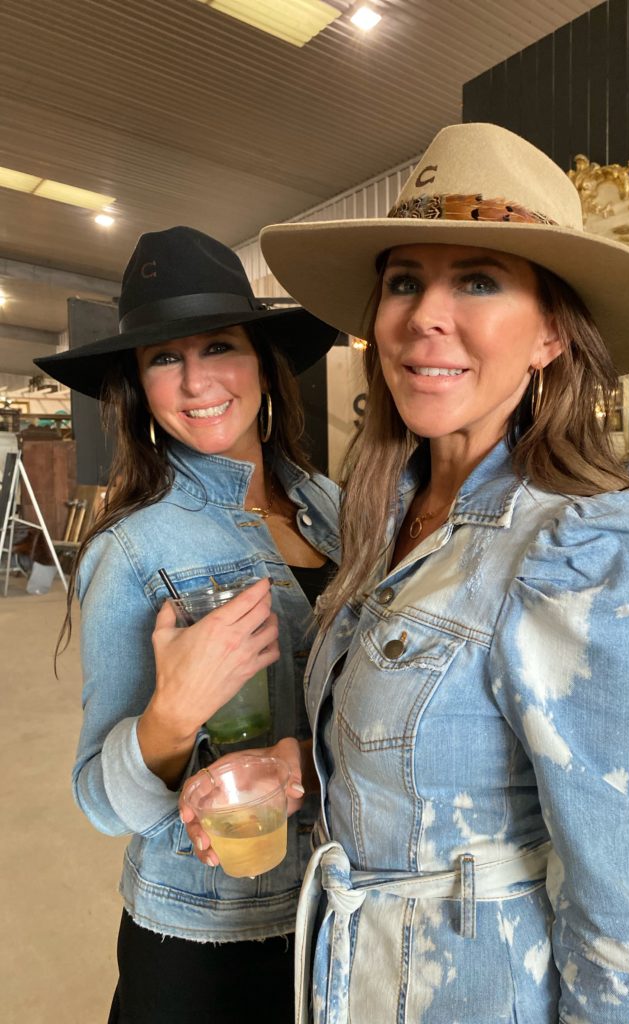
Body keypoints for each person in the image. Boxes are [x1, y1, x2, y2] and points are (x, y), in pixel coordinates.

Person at [253, 123, 629, 1023]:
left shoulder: (589, 547)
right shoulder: (382, 514)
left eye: (481, 280)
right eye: (405, 279)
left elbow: (612, 898)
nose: (425, 315)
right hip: (349, 979)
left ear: (550, 338)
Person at [35, 226, 341, 1024]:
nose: (196, 381)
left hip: (340, 903)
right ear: (139, 383)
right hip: (206, 936)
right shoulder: (134, 548)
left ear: (264, 363)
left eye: (219, 346)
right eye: (165, 358)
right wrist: (172, 713)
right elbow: (103, 805)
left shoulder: (331, 507)